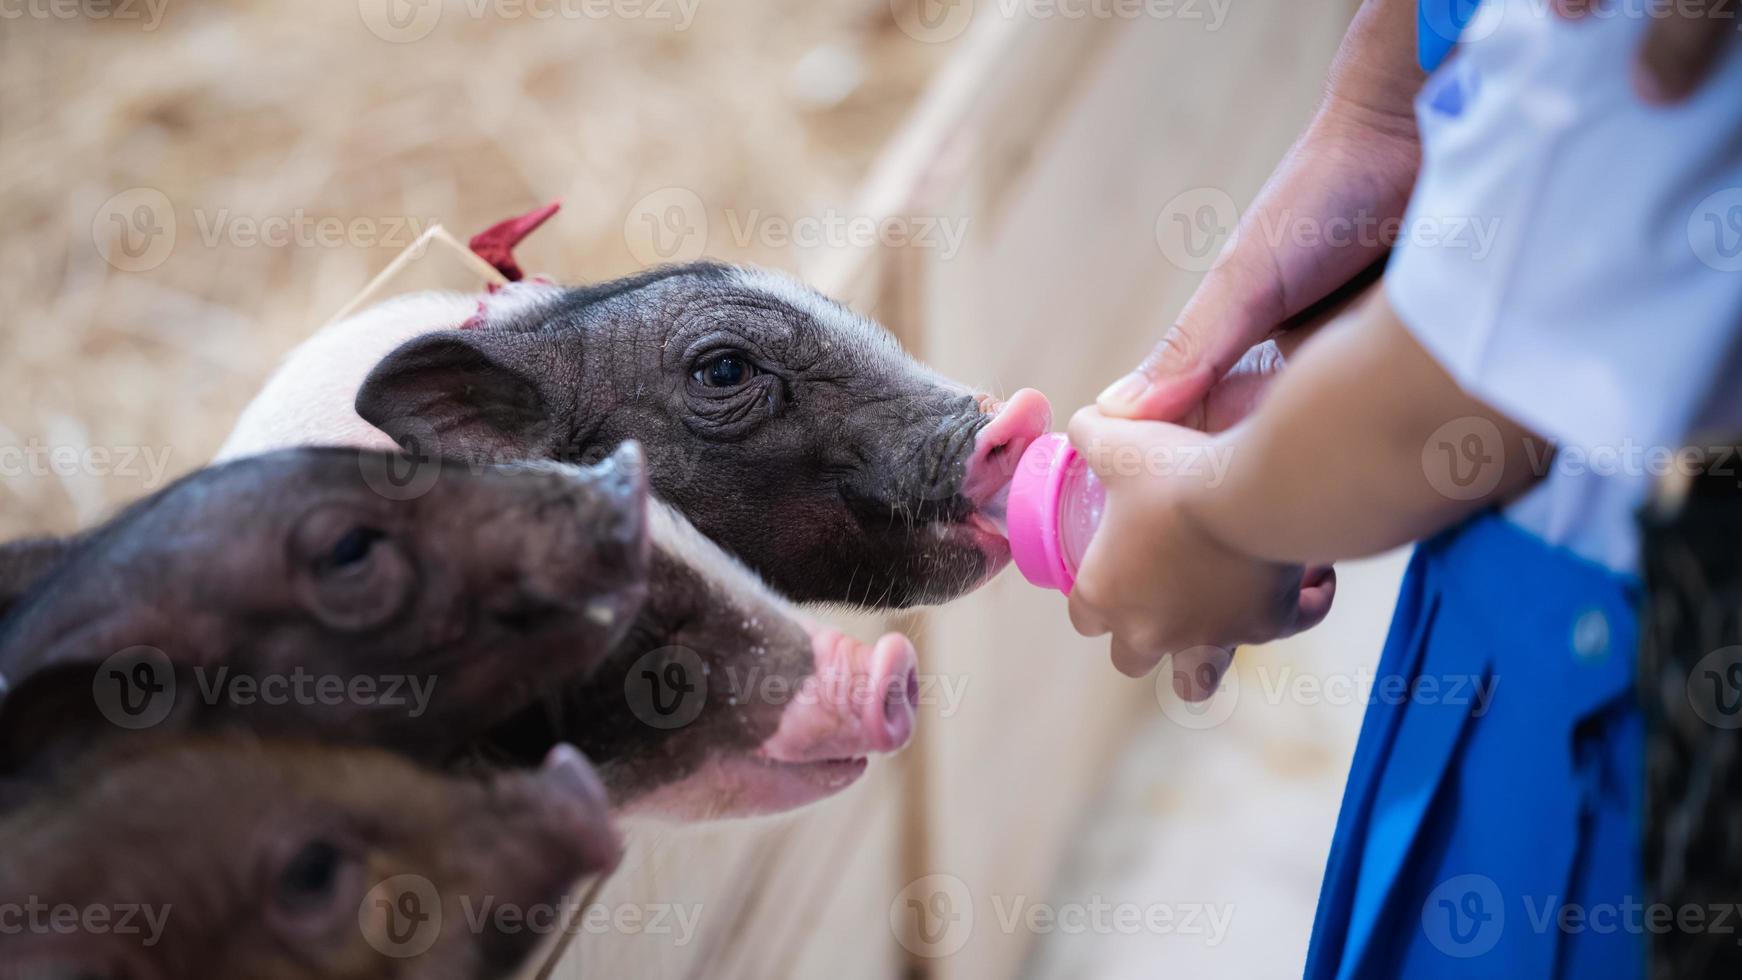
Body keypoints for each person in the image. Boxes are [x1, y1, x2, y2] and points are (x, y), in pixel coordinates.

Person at [1066, 0, 1742, 974]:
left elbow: (1443, 402)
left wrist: (1214, 521)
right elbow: (1411, 119)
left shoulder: (1661, 40)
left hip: (1608, 721)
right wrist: (1390, 79)